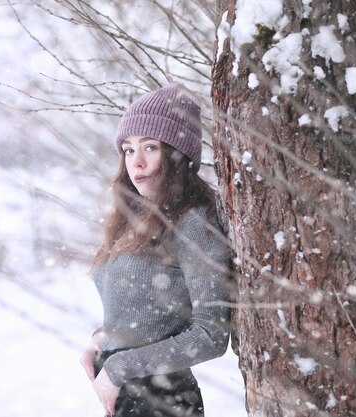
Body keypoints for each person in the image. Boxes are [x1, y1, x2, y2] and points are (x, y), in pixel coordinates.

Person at [80, 83, 232, 417]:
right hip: (129, 396)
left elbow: (211, 335)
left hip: (164, 400)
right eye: (129, 150)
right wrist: (102, 339)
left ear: (177, 155)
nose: (137, 163)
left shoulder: (194, 223)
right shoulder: (135, 220)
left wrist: (120, 367)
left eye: (150, 147)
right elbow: (144, 311)